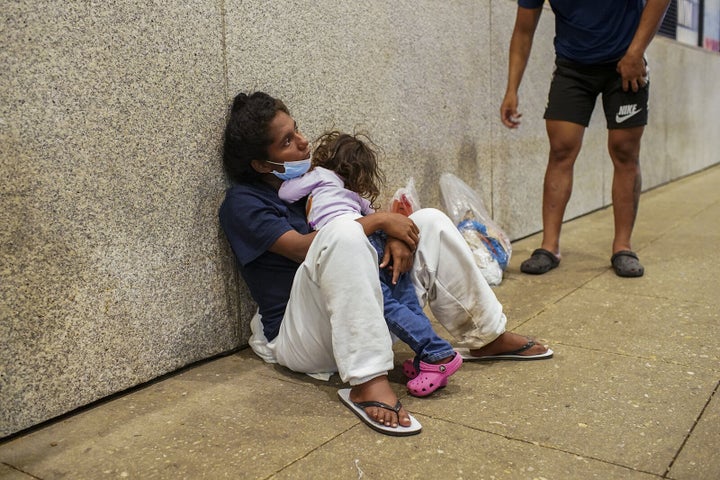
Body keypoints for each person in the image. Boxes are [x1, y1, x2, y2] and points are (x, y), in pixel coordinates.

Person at [219, 91, 552, 436]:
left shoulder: (314, 182)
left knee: (430, 222)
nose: (303, 143)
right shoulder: (242, 203)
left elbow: (360, 211)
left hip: (363, 318)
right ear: (261, 164)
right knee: (342, 235)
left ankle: (485, 337)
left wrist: (395, 232)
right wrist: (380, 223)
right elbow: (304, 248)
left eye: (297, 130)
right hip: (301, 336)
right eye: (287, 141)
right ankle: (367, 382)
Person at [277, 130, 462, 398]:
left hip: (353, 245)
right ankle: (429, 354)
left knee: (382, 304)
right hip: (376, 240)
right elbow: (377, 218)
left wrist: (305, 174)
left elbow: (285, 193)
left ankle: (438, 355)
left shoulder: (320, 176)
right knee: (406, 300)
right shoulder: (354, 196)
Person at [500, 0, 671, 277]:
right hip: (572, 67)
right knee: (561, 150)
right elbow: (523, 31)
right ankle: (549, 246)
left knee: (624, 151)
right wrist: (511, 89)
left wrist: (636, 52)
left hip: (626, 60)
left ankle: (622, 247)